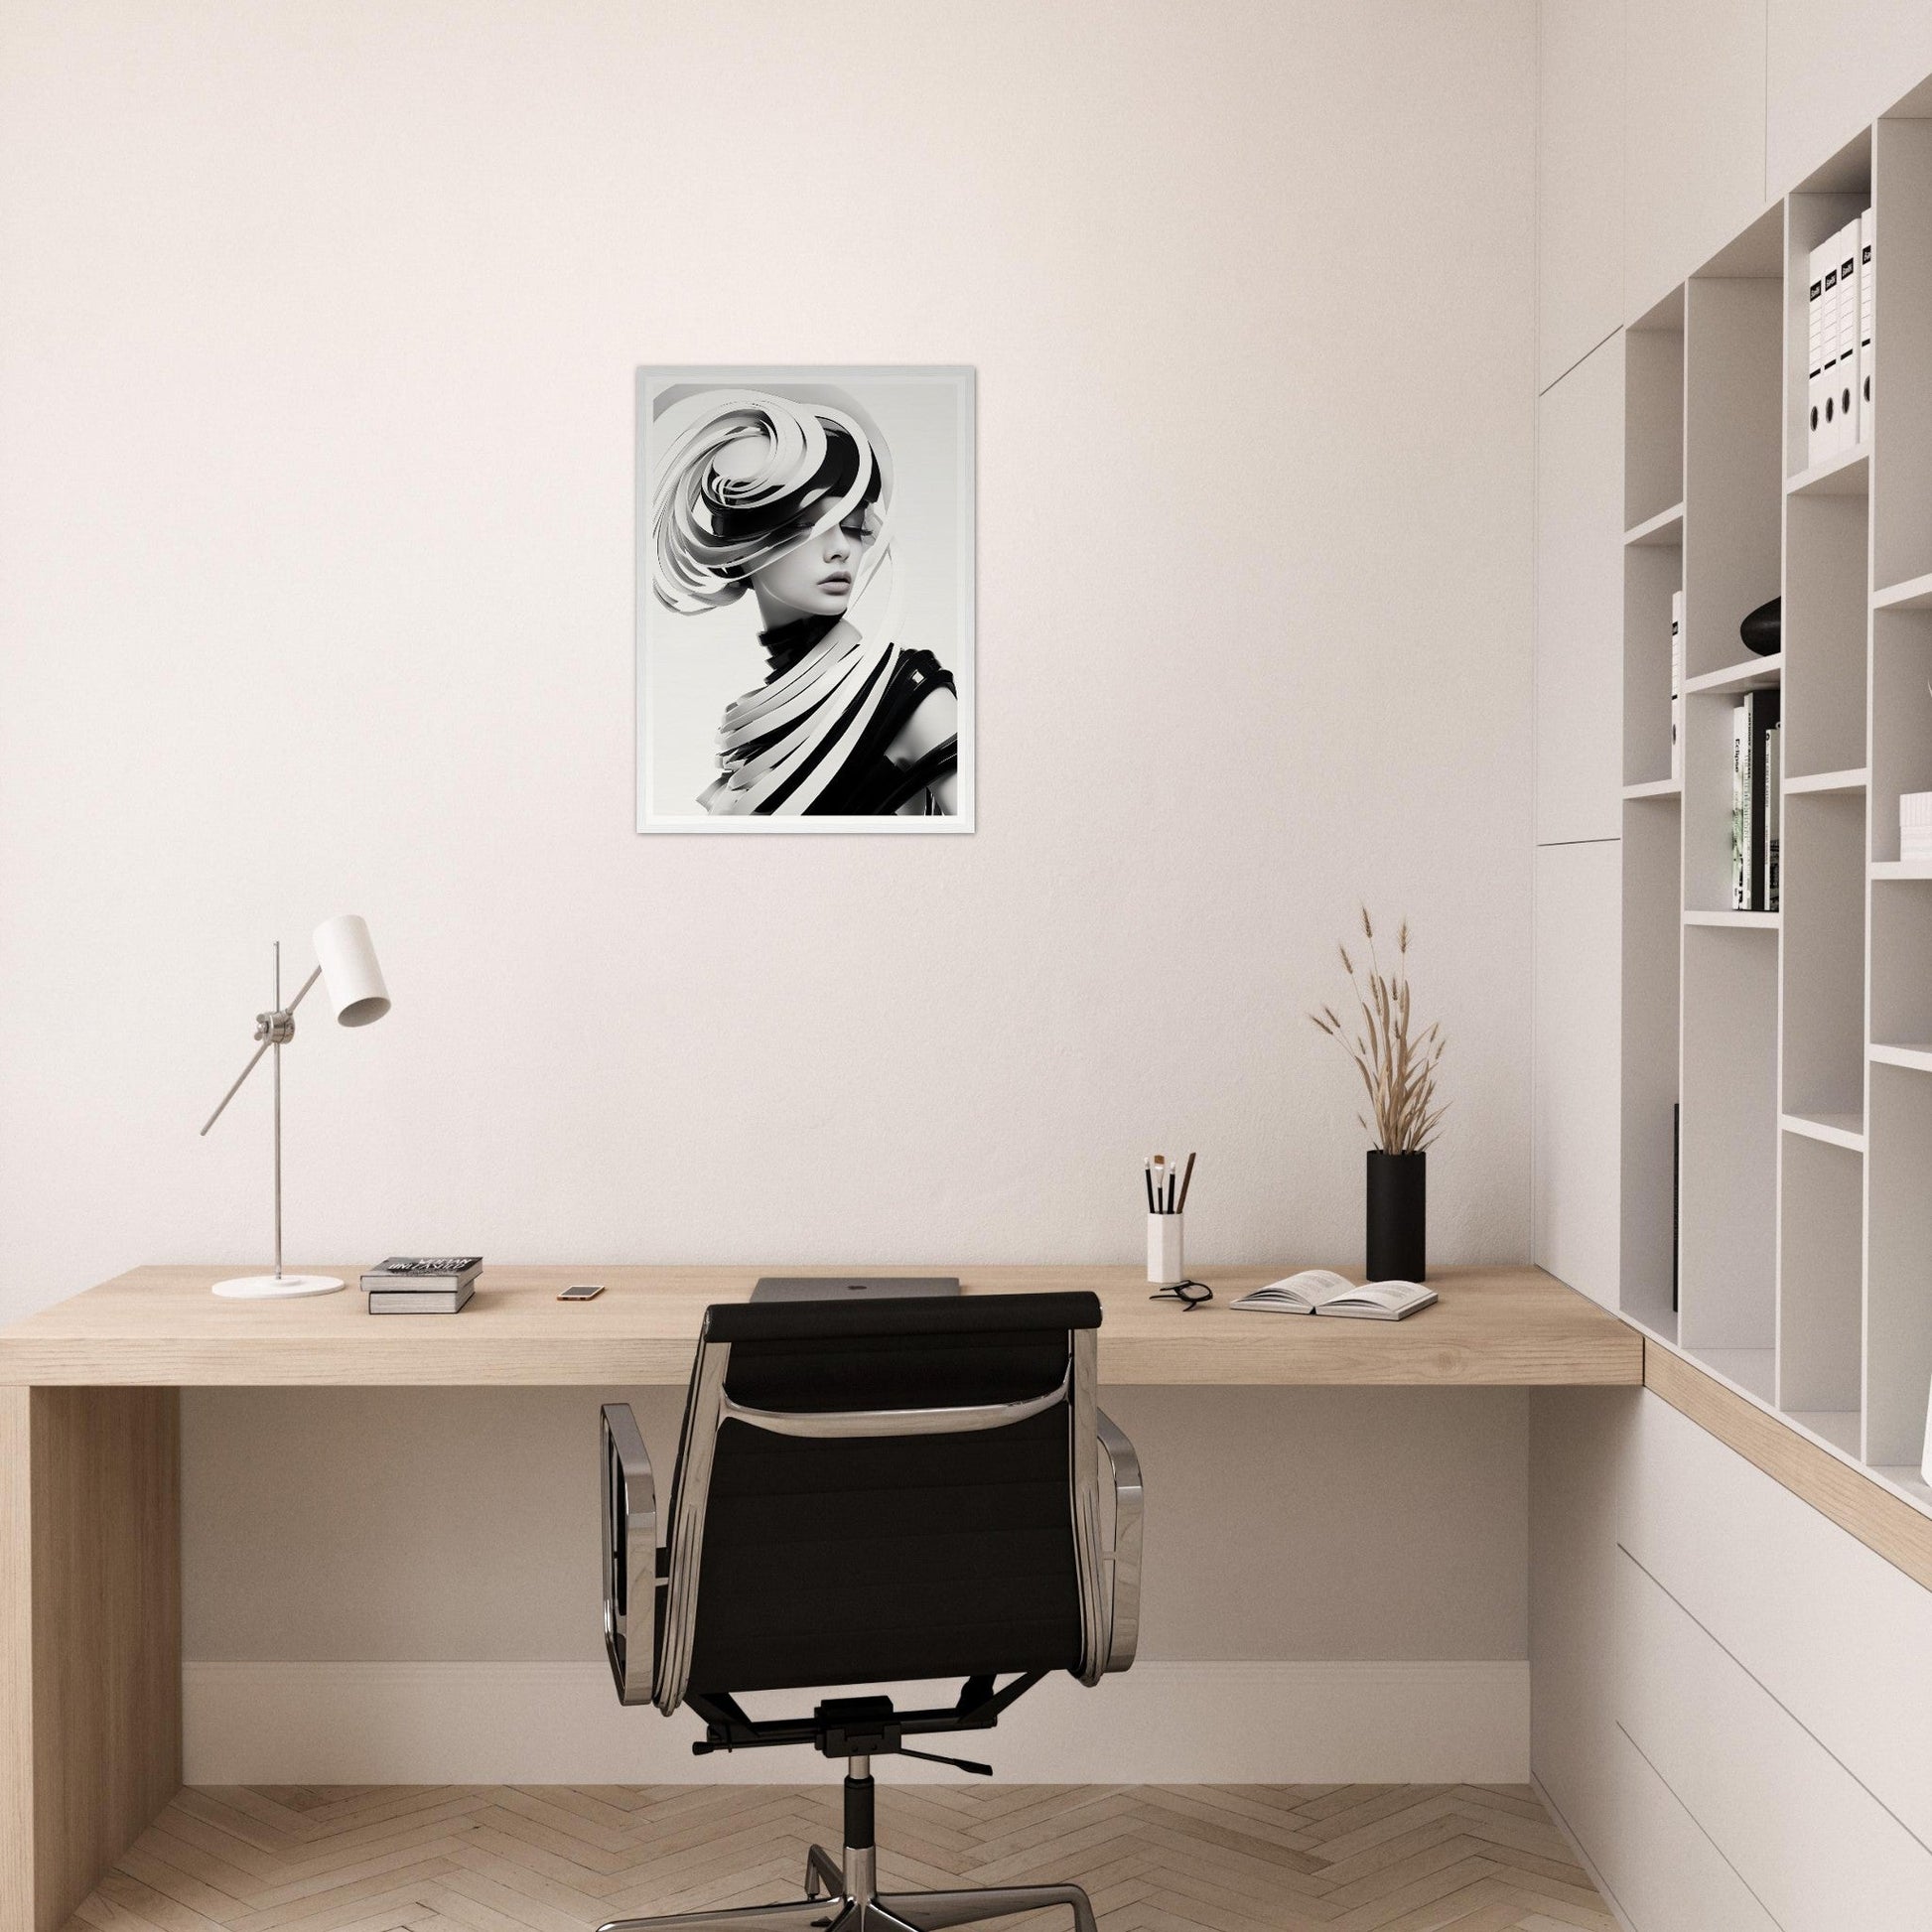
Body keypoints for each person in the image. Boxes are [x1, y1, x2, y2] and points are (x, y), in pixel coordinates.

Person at [650, 387, 957, 816]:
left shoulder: (911, 698)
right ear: (741, 548)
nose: (840, 548)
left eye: (853, 524)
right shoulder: (754, 732)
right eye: (804, 524)